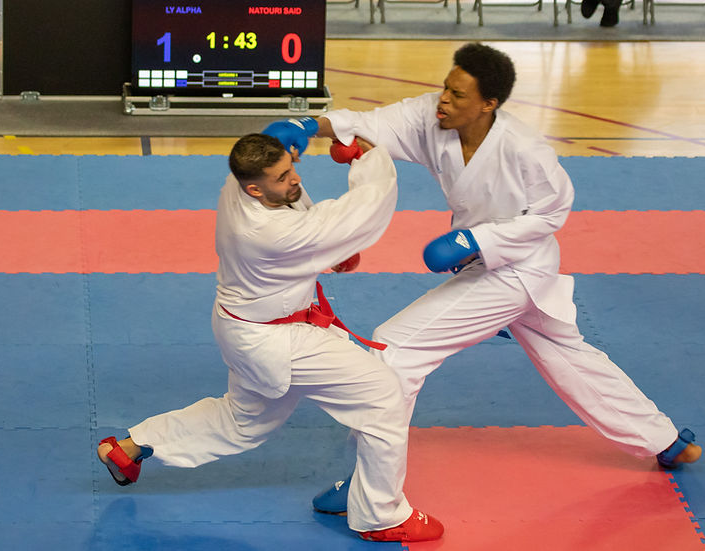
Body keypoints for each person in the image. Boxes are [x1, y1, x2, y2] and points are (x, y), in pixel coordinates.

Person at [262, 42, 702, 514]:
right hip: (493, 265)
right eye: (445, 88)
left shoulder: (523, 148)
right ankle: (665, 441)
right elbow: (373, 123)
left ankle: (370, 488)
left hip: (518, 268)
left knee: (395, 350)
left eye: (458, 95)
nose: (444, 100)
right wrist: (309, 125)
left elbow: (553, 210)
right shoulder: (433, 119)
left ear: (488, 103)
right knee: (568, 357)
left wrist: (477, 240)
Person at [96, 133, 444, 542]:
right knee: (383, 394)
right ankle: (380, 515)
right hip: (277, 341)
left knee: (242, 421)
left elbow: (297, 205)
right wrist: (370, 160)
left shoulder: (236, 184)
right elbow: (358, 213)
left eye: (291, 168)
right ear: (254, 189)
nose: (295, 179)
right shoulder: (269, 231)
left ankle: (129, 448)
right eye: (282, 177)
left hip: (245, 327)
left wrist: (285, 143)